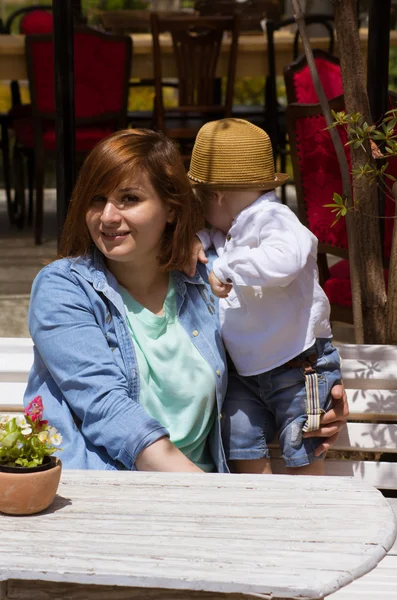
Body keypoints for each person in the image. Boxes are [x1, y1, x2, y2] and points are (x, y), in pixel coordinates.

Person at [24, 128, 347, 472]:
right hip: (117, 495)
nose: (107, 217)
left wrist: (320, 401)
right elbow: (107, 409)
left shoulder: (207, 281)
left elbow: (272, 350)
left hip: (207, 497)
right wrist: (213, 498)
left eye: (129, 199)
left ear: (172, 210)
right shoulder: (64, 288)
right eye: (96, 199)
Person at [188, 118, 342, 475]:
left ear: (216, 195)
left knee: (303, 452)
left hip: (297, 363)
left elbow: (288, 258)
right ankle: (259, 510)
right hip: (247, 370)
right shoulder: (231, 228)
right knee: (239, 442)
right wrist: (201, 239)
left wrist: (227, 268)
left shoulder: (274, 217)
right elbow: (219, 238)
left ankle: (306, 522)